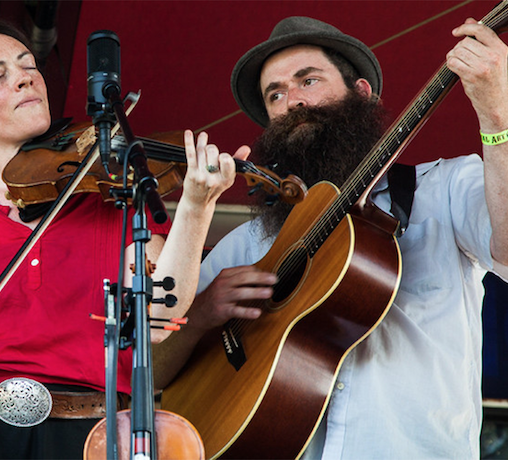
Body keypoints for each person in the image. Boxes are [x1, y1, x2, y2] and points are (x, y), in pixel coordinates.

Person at [0, 18, 245, 458]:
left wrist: (197, 206)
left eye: (28, 66)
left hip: (87, 435)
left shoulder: (117, 199)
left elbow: (158, 318)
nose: (24, 78)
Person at [153, 16, 507, 459]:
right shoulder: (248, 243)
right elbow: (151, 373)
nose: (293, 101)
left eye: (309, 80)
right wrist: (203, 313)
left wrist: (497, 114)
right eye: (275, 94)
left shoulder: (444, 188)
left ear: (362, 92)